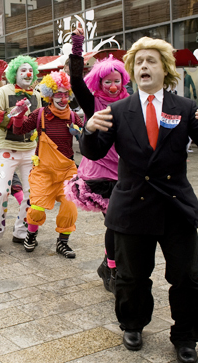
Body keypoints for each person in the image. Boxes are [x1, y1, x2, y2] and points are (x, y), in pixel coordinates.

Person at [81, 37, 198, 363]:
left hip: (175, 207)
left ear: (165, 69)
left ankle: (186, 337)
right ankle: (132, 325)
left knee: (186, 278)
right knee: (132, 277)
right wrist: (88, 130)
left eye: (151, 60)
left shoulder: (186, 108)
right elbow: (93, 150)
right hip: (132, 208)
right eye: (139, 62)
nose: (144, 66)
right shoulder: (118, 111)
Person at [64, 27, 130, 292]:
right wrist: (78, 45)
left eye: (117, 81)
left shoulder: (131, 102)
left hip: (125, 171)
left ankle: (107, 264)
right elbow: (76, 81)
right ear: (99, 84)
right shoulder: (94, 104)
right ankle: (112, 270)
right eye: (107, 82)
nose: (113, 86)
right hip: (100, 172)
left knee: (123, 224)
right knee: (115, 222)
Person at [12, 71, 83, 258]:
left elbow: (89, 139)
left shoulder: (74, 118)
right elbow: (19, 129)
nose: (62, 98)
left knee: (70, 206)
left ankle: (63, 242)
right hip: (43, 171)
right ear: (49, 95)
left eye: (66, 94)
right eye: (58, 94)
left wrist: (82, 134)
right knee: (36, 208)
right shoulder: (40, 114)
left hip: (67, 171)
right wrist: (19, 115)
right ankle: (31, 235)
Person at [0, 56, 41, 252]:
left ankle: (21, 231)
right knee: (2, 191)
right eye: (22, 70)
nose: (27, 73)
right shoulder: (4, 92)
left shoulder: (37, 95)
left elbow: (39, 122)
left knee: (32, 193)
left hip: (30, 150)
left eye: (30, 70)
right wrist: (14, 115)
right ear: (15, 73)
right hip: (7, 149)